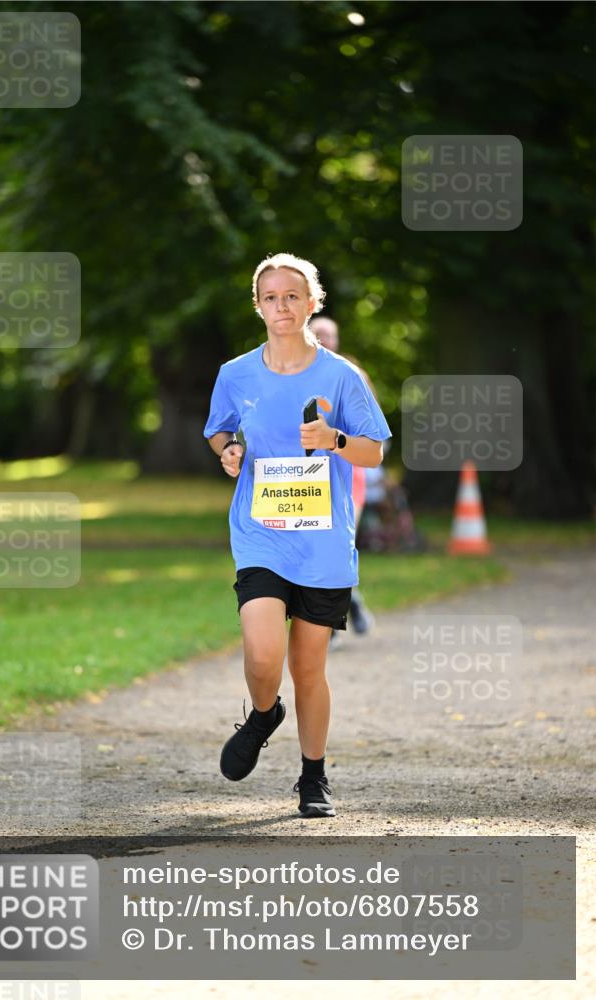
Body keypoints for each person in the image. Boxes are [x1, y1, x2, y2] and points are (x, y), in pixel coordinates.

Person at [203, 252, 392, 818]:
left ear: (312, 302)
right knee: (263, 654)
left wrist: (335, 440)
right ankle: (264, 715)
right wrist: (229, 452)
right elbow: (219, 432)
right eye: (270, 297)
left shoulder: (341, 375)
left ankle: (314, 778)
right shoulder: (235, 374)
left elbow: (374, 451)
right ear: (258, 306)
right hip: (260, 532)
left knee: (309, 668)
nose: (281, 306)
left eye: (292, 296)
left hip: (323, 541)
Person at [309, 314, 376, 641]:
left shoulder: (352, 374)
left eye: (328, 334)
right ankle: (352, 604)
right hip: (308, 476)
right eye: (317, 333)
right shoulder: (292, 374)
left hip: (348, 476)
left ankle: (334, 621)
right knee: (316, 548)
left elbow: (372, 431)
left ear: (336, 340)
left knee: (339, 544)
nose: (322, 339)